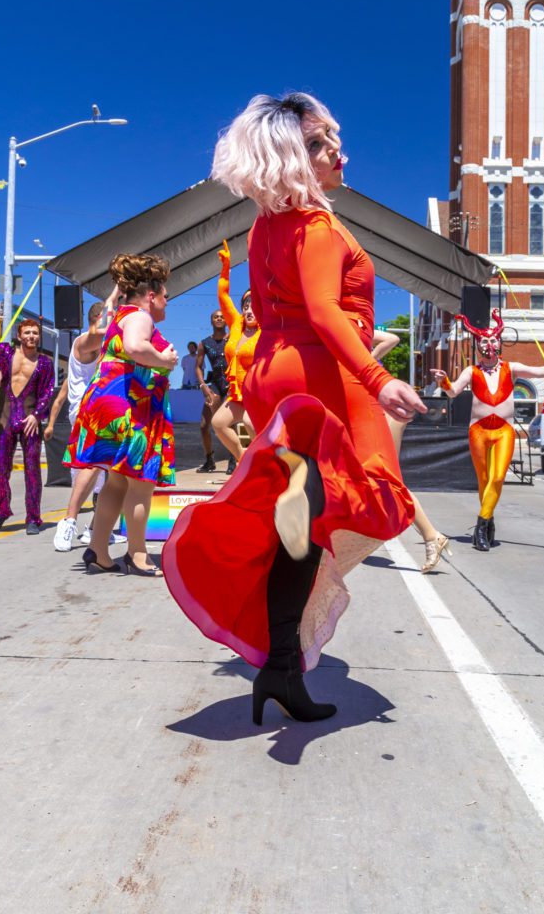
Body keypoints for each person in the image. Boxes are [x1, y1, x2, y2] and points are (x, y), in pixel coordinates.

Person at [163, 92, 425, 725]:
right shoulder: (312, 225)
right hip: (316, 377)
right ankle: (280, 663)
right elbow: (324, 311)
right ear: (285, 159)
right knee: (338, 512)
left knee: (299, 527)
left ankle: (280, 664)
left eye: (331, 137)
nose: (335, 151)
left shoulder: (266, 225)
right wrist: (377, 376)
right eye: (315, 144)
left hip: (280, 375)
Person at [432, 309, 544, 551]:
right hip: (478, 431)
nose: (489, 344)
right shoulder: (471, 371)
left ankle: (481, 525)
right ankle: (490, 521)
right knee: (485, 481)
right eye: (484, 340)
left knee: (497, 477)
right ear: (478, 345)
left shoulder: (511, 368)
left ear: (499, 343)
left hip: (504, 431)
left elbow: (539, 371)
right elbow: (452, 392)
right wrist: (443, 380)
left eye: (493, 340)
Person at [64, 254, 178, 575]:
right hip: (131, 411)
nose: (167, 303)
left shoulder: (120, 315)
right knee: (141, 484)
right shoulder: (140, 316)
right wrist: (164, 360)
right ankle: (137, 554)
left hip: (109, 406)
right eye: (165, 297)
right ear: (151, 296)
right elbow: (135, 347)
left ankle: (98, 550)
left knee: (116, 484)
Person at [371, 331, 451, 573]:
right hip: (369, 407)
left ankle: (431, 536)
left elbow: (392, 339)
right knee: (378, 478)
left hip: (383, 406)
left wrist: (369, 358)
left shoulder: (350, 321)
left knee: (389, 478)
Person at [45, 301, 114, 552]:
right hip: (88, 414)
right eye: (110, 317)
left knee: (110, 475)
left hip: (103, 413)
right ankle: (69, 521)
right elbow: (102, 331)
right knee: (93, 469)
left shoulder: (104, 351)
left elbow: (63, 394)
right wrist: (116, 293)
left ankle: (95, 529)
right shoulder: (85, 342)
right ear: (97, 319)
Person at [0, 318, 55, 534]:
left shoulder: (45, 363)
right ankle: (3, 510)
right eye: (27, 332)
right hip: (5, 421)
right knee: (1, 470)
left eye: (35, 333)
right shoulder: (5, 355)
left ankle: (33, 518)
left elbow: (47, 393)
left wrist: (37, 416)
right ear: (19, 336)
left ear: (40, 337)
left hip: (29, 422)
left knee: (32, 471)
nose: (31, 336)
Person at [210, 240, 260, 474]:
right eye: (246, 305)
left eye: (255, 305)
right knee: (218, 423)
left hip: (259, 394)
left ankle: (267, 466)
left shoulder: (268, 331)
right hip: (237, 394)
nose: (250, 309)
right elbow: (222, 293)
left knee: (251, 423)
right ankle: (244, 460)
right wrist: (226, 267)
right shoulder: (236, 324)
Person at [194, 310, 228, 473]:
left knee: (230, 423)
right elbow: (198, 367)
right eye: (216, 316)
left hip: (232, 383)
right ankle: (209, 460)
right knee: (203, 425)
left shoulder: (233, 339)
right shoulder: (204, 343)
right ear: (211, 321)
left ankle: (233, 460)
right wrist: (203, 386)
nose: (219, 318)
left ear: (226, 320)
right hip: (214, 384)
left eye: (222, 316)